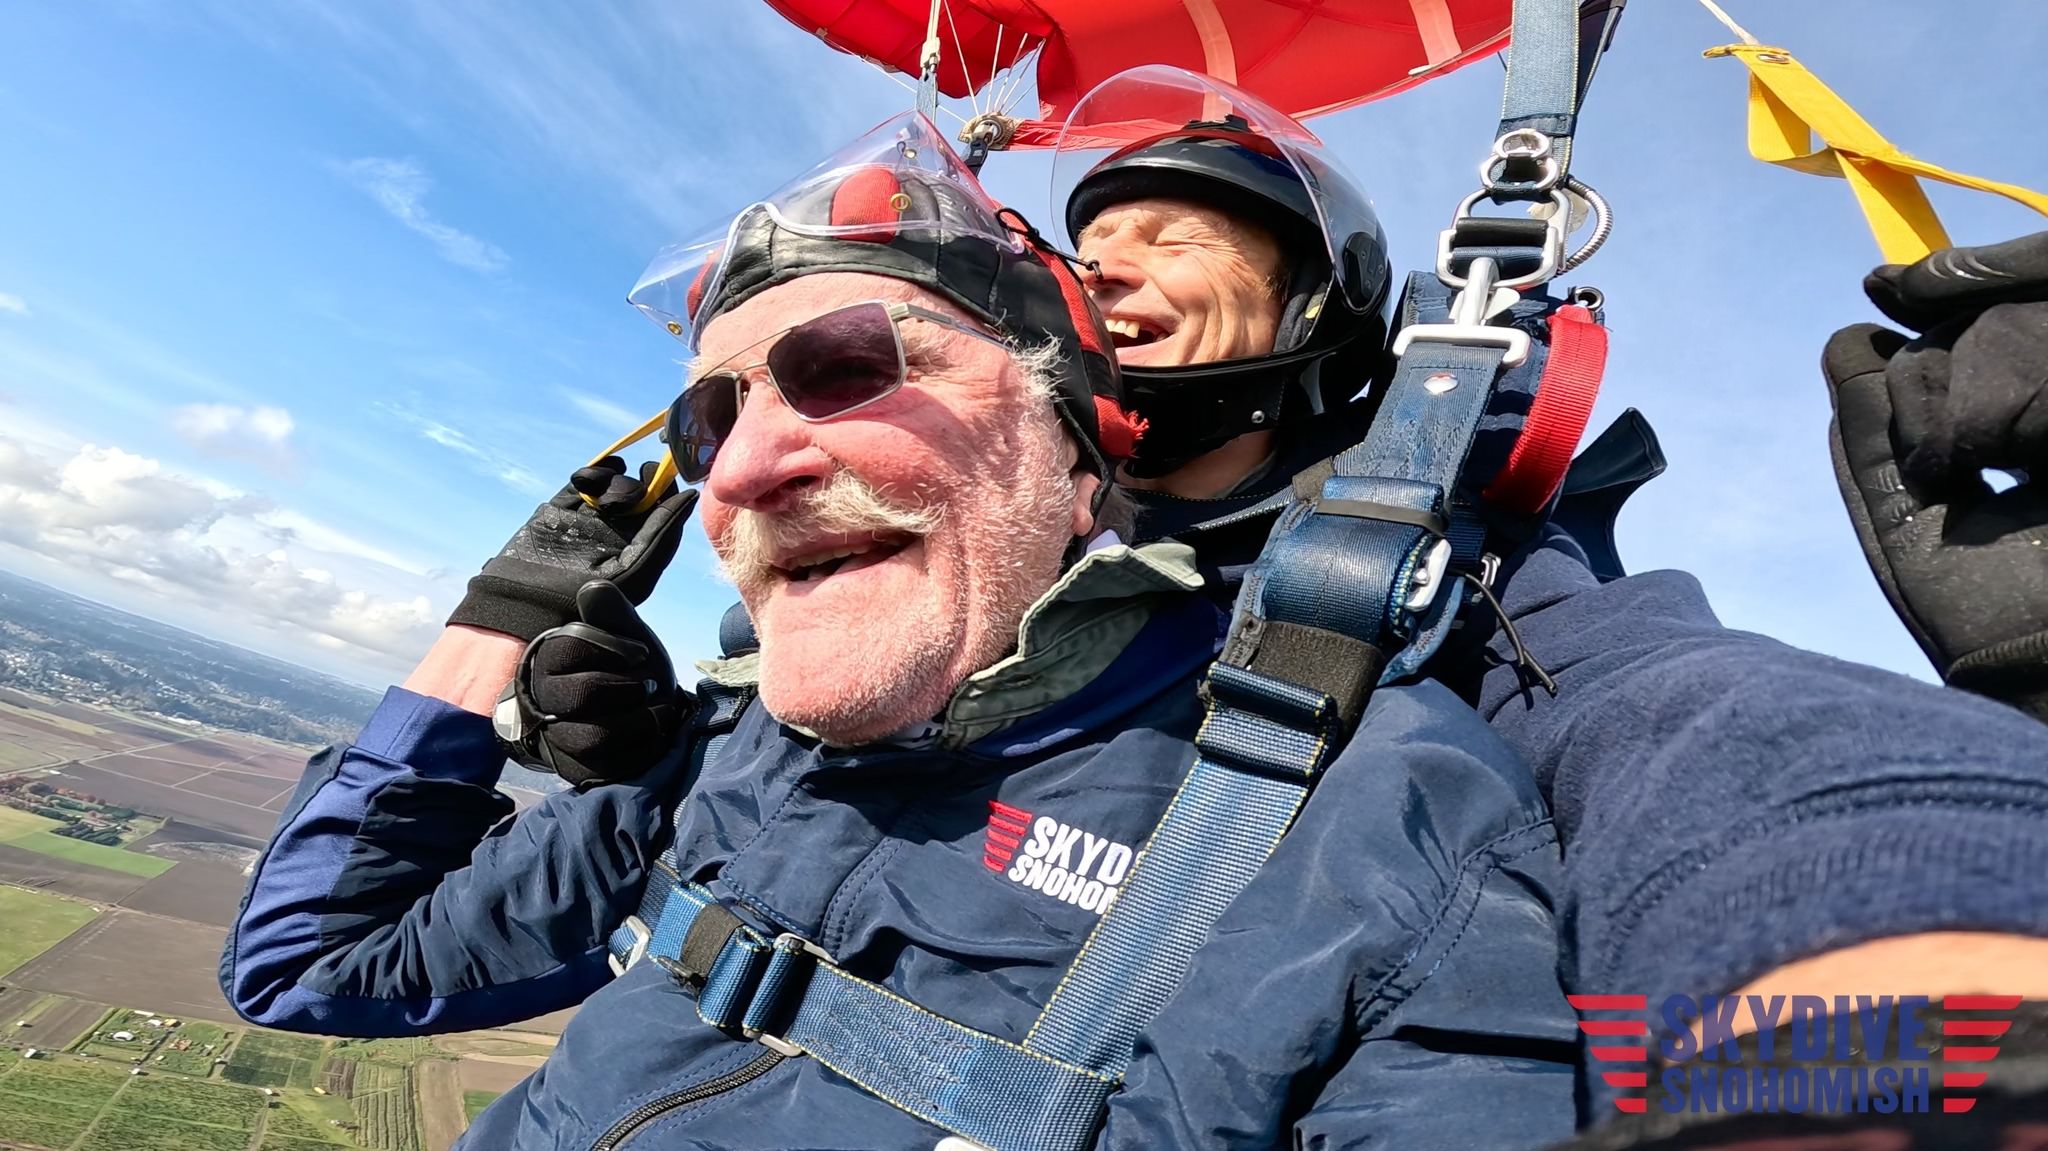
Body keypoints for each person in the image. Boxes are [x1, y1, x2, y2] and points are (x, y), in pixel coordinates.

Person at [224, 87, 2048, 1146]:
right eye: (1096, 244)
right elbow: (310, 968)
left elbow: (1707, 740)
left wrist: (1928, 985)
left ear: (1316, 325)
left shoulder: (1399, 678)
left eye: (1186, 241)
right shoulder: (804, 725)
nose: (1116, 265)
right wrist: (520, 643)